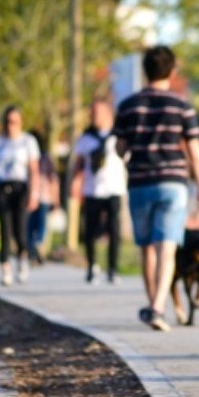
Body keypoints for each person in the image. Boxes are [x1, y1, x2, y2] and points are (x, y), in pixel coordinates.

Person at [113, 46, 199, 331]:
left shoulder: (128, 105)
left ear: (145, 70)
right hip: (173, 184)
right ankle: (157, 307)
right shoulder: (181, 105)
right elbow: (195, 151)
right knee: (167, 248)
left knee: (146, 249)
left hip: (140, 183)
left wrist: (134, 146)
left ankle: (153, 306)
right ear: (172, 71)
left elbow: (119, 148)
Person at [73, 100, 127, 284]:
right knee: (90, 231)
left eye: (98, 112)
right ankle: (92, 267)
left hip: (114, 188)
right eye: (92, 112)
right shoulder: (86, 138)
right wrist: (75, 183)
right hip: (92, 189)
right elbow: (79, 164)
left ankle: (113, 269)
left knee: (114, 230)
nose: (94, 116)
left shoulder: (118, 136)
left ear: (108, 114)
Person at [0, 105, 40, 286]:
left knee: (20, 228)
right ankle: (5, 269)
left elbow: (34, 169)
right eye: (8, 122)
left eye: (15, 122)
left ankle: (22, 259)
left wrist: (35, 193)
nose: (11, 125)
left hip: (21, 188)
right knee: (5, 228)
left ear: (20, 123)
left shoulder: (28, 141)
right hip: (2, 187)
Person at [27, 130, 60, 265]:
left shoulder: (28, 157)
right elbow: (54, 180)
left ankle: (32, 252)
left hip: (31, 196)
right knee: (41, 225)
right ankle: (38, 244)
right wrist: (56, 199)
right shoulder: (47, 158)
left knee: (30, 226)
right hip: (44, 196)